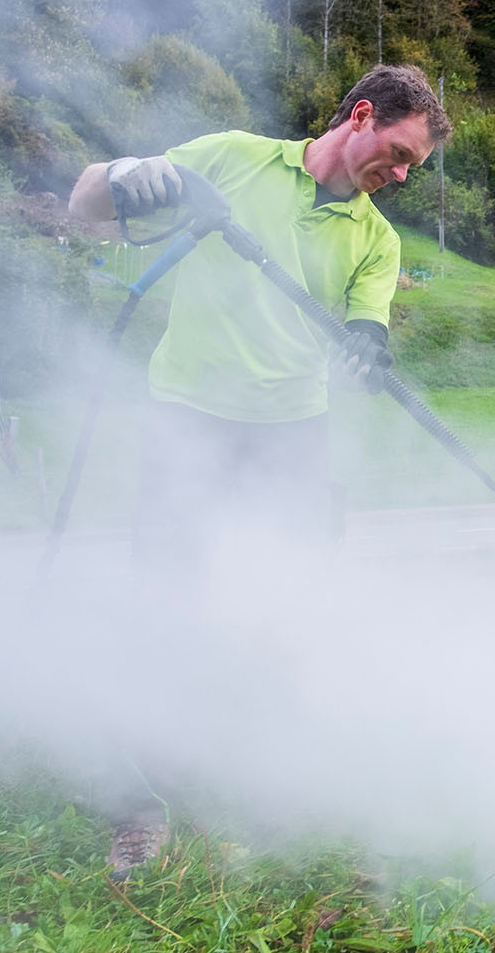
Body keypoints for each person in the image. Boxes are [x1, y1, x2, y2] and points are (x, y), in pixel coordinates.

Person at [67, 63, 452, 880]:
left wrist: (369, 345)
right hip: (190, 422)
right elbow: (89, 204)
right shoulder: (236, 156)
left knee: (278, 614)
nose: (404, 173)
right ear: (359, 116)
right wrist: (124, 174)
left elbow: (366, 322)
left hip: (290, 439)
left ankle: (245, 788)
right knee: (164, 608)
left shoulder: (376, 239)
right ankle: (138, 808)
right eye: (400, 150)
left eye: (414, 164)